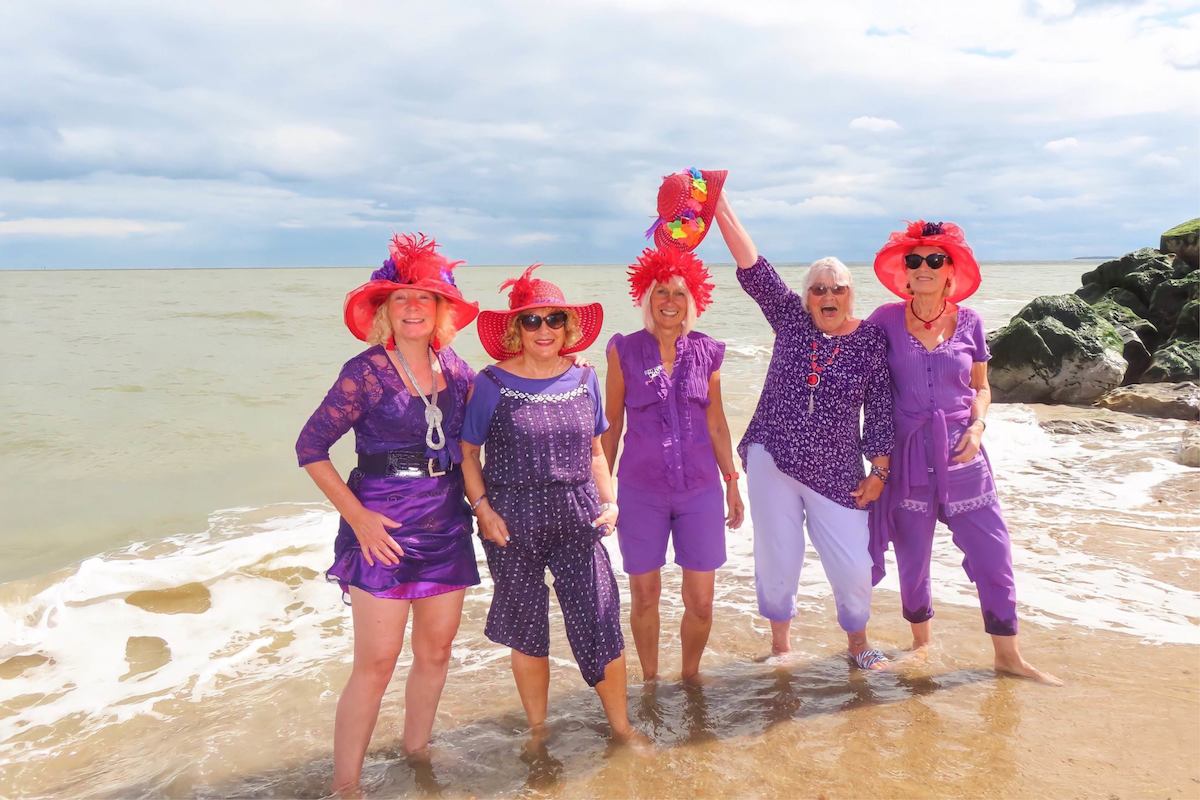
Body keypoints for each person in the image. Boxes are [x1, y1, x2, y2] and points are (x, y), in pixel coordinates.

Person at [295, 233, 482, 792]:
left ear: (441, 309)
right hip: (383, 525)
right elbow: (310, 448)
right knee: (376, 663)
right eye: (401, 298)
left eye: (424, 298)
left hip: (446, 520)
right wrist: (359, 520)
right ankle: (345, 785)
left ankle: (416, 750)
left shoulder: (458, 369)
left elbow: (478, 443)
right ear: (385, 311)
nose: (412, 307)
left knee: (437, 650)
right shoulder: (366, 371)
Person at [867, 220, 1062, 685]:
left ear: (950, 269)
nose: (924, 267)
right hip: (909, 456)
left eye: (935, 259)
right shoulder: (884, 321)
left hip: (962, 453)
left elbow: (982, 387)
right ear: (905, 273)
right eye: (914, 260)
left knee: (993, 552)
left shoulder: (971, 322)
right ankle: (922, 646)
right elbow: (850, 365)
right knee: (913, 560)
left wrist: (977, 426)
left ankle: (1008, 656)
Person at [459, 264, 642, 748]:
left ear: (569, 326)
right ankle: (538, 733)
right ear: (516, 330)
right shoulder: (491, 384)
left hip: (578, 516)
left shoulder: (585, 378)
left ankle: (622, 730)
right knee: (527, 631)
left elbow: (596, 451)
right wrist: (483, 509)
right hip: (510, 524)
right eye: (532, 320)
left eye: (554, 319)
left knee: (601, 620)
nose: (545, 330)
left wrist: (611, 501)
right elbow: (468, 453)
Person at [712, 191, 895, 669]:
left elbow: (879, 408)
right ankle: (781, 647)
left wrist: (879, 470)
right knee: (777, 556)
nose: (828, 297)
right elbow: (754, 269)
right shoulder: (791, 320)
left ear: (852, 294)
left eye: (837, 289)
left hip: (837, 470)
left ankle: (858, 644)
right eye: (818, 289)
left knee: (853, 565)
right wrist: (718, 205)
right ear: (806, 296)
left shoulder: (869, 340)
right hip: (772, 456)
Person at [601, 246, 744, 685]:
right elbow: (611, 426)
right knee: (645, 596)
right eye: (661, 292)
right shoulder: (623, 351)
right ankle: (648, 681)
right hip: (640, 491)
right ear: (647, 298)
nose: (669, 301)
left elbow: (717, 423)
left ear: (692, 301)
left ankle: (689, 676)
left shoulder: (708, 352)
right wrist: (602, 493)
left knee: (701, 601)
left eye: (679, 294)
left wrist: (732, 482)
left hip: (699, 489)